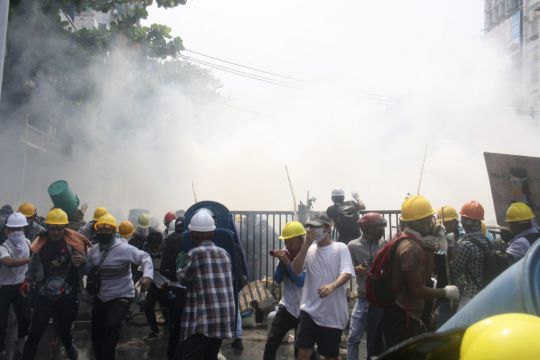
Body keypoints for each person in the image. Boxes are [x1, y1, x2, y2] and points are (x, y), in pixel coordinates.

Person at [383, 195, 459, 348]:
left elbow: (424, 277)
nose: (432, 222)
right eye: (429, 219)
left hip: (398, 311)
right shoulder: (412, 248)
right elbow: (417, 289)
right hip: (404, 315)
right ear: (423, 223)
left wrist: (429, 248)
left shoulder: (401, 239)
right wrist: (445, 292)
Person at [22, 208, 91, 360]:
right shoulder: (41, 243)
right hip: (45, 295)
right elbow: (33, 263)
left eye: (59, 228)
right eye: (52, 228)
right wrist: (27, 280)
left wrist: (83, 263)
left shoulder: (73, 244)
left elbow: (88, 270)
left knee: (64, 333)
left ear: (64, 227)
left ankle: (71, 351)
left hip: (67, 297)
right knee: (35, 333)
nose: (55, 232)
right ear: (47, 227)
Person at [84, 213, 153, 360]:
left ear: (114, 231)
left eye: (107, 230)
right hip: (101, 295)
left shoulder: (124, 249)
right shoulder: (94, 251)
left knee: (112, 325)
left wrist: (147, 276)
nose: (103, 233)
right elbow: (87, 270)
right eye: (100, 230)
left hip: (122, 294)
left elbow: (145, 258)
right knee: (96, 331)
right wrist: (79, 264)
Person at [291, 213, 355, 360]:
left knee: (330, 355)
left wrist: (332, 286)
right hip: (309, 310)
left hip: (332, 314)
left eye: (315, 227)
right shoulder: (309, 249)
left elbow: (347, 272)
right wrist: (305, 245)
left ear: (327, 227)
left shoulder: (340, 248)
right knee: (303, 350)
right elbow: (296, 269)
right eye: (309, 227)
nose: (311, 230)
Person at [175, 210, 235, 360]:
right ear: (212, 232)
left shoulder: (195, 254)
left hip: (203, 320)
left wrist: (179, 266)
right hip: (223, 317)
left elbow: (182, 278)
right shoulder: (224, 253)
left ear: (193, 233)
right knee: (210, 355)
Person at [263, 221, 306, 360]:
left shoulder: (309, 255)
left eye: (291, 241)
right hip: (287, 306)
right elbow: (277, 279)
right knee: (272, 341)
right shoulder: (285, 254)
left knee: (301, 347)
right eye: (286, 241)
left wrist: (287, 263)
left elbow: (300, 281)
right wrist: (282, 264)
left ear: (301, 239)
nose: (288, 245)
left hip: (305, 308)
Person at [347, 213, 387, 360]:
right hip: (363, 298)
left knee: (378, 339)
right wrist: (355, 269)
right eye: (378, 227)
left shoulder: (384, 244)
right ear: (366, 228)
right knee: (354, 337)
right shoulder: (352, 246)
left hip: (380, 299)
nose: (381, 230)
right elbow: (345, 268)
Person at [0, 213, 32, 358]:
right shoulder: (3, 247)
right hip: (4, 288)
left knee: (25, 318)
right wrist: (29, 260)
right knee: (2, 321)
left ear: (24, 229)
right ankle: (1, 348)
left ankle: (21, 338)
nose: (17, 232)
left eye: (19, 228)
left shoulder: (28, 243)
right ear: (7, 230)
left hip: (21, 285)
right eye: (13, 229)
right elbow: (8, 263)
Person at [451, 200, 492, 309]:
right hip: (487, 292)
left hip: (471, 295)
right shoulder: (487, 241)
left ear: (466, 223)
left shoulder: (466, 245)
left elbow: (456, 270)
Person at [161, 216, 187, 360]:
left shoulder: (169, 240)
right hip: (183, 288)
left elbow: (164, 266)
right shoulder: (189, 241)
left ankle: (171, 355)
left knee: (174, 326)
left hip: (170, 287)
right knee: (185, 326)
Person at [143, 231, 170, 340]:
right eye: (151, 247)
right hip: (154, 283)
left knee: (167, 307)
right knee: (147, 306)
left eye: (156, 247)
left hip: (167, 283)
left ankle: (169, 325)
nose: (154, 249)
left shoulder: (168, 252)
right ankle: (155, 331)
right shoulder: (144, 252)